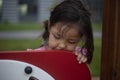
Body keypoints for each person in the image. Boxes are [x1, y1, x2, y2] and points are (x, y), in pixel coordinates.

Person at [27, 0, 94, 64]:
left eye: (71, 42)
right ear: (49, 26)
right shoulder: (38, 55)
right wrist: (31, 61)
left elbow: (84, 75)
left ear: (80, 38)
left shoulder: (79, 55)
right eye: (57, 37)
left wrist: (81, 64)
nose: (62, 45)